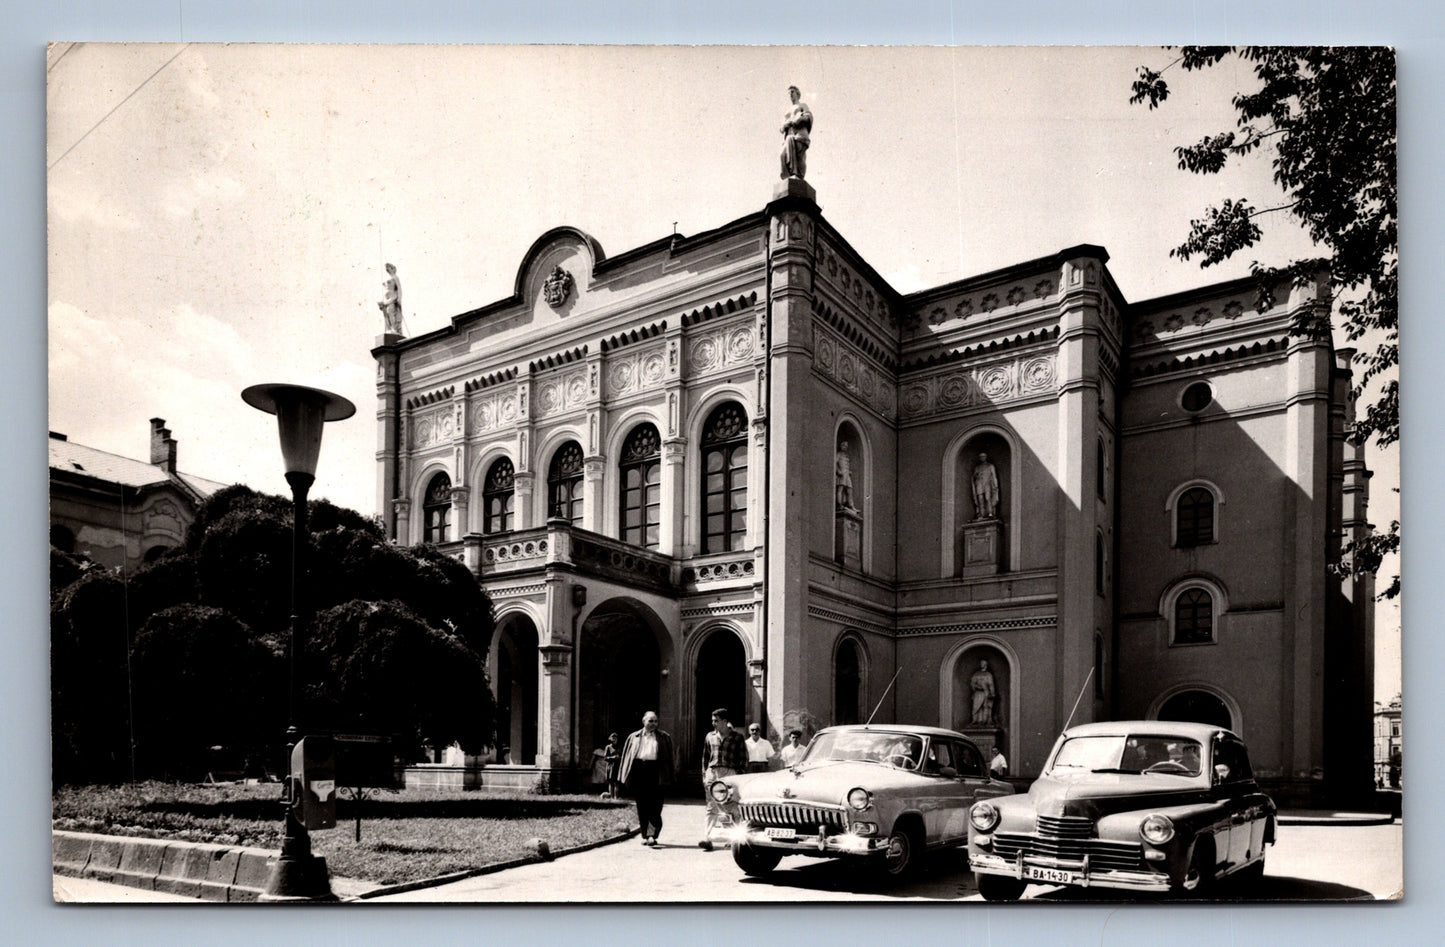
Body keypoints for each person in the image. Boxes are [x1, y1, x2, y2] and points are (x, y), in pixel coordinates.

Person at [618, 711, 675, 846]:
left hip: (656, 770)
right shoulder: (633, 737)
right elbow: (626, 757)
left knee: (656, 805)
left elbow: (670, 759)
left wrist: (670, 775)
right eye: (650, 721)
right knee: (642, 804)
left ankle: (652, 834)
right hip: (639, 770)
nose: (653, 724)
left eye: (655, 721)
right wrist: (623, 775)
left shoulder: (664, 737)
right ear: (643, 721)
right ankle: (646, 835)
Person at [699, 707, 747, 850]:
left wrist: (739, 776)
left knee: (731, 806)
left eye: (716, 721)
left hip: (729, 772)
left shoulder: (737, 737)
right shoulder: (709, 736)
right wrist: (704, 774)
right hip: (712, 772)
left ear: (725, 721)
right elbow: (705, 757)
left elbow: (744, 759)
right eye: (712, 721)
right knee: (711, 806)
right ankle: (707, 838)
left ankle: (734, 838)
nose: (713, 723)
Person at [779, 85, 813, 180]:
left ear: (797, 94)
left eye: (792, 92)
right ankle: (788, 179)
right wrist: (785, 124)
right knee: (783, 155)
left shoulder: (802, 105)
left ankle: (800, 177)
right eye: (789, 93)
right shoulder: (787, 111)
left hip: (799, 134)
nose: (790, 94)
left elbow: (809, 116)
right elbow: (781, 128)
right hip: (789, 137)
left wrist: (799, 119)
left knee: (799, 156)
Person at [378, 262, 404, 334]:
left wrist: (399, 298)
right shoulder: (388, 278)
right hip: (386, 299)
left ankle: (394, 328)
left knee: (391, 312)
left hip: (392, 298)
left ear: (392, 268)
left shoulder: (395, 277)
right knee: (387, 314)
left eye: (389, 267)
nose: (387, 269)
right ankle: (389, 328)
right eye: (386, 268)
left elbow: (399, 288)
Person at [970, 659, 997, 726]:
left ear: (985, 665)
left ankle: (985, 720)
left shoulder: (988, 675)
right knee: (976, 707)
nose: (981, 664)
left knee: (986, 706)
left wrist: (992, 693)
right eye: (981, 663)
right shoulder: (976, 674)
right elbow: (972, 683)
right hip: (978, 693)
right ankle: (976, 720)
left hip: (986, 693)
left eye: (983, 663)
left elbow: (991, 685)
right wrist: (976, 687)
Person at [972, 452, 999, 519]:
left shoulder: (990, 466)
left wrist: (995, 485)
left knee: (987, 498)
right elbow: (974, 476)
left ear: (986, 457)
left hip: (987, 484)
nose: (982, 458)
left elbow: (994, 476)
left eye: (983, 456)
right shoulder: (977, 468)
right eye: (981, 457)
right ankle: (981, 514)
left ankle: (990, 512)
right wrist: (977, 476)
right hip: (979, 484)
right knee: (980, 499)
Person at [604, 732, 622, 799]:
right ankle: (611, 797)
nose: (614, 739)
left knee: (617, 782)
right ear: (610, 739)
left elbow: (623, 756)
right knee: (611, 782)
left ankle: (616, 797)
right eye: (613, 738)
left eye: (615, 738)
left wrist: (619, 757)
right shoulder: (608, 747)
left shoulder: (620, 747)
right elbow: (605, 757)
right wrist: (613, 757)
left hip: (618, 766)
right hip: (611, 766)